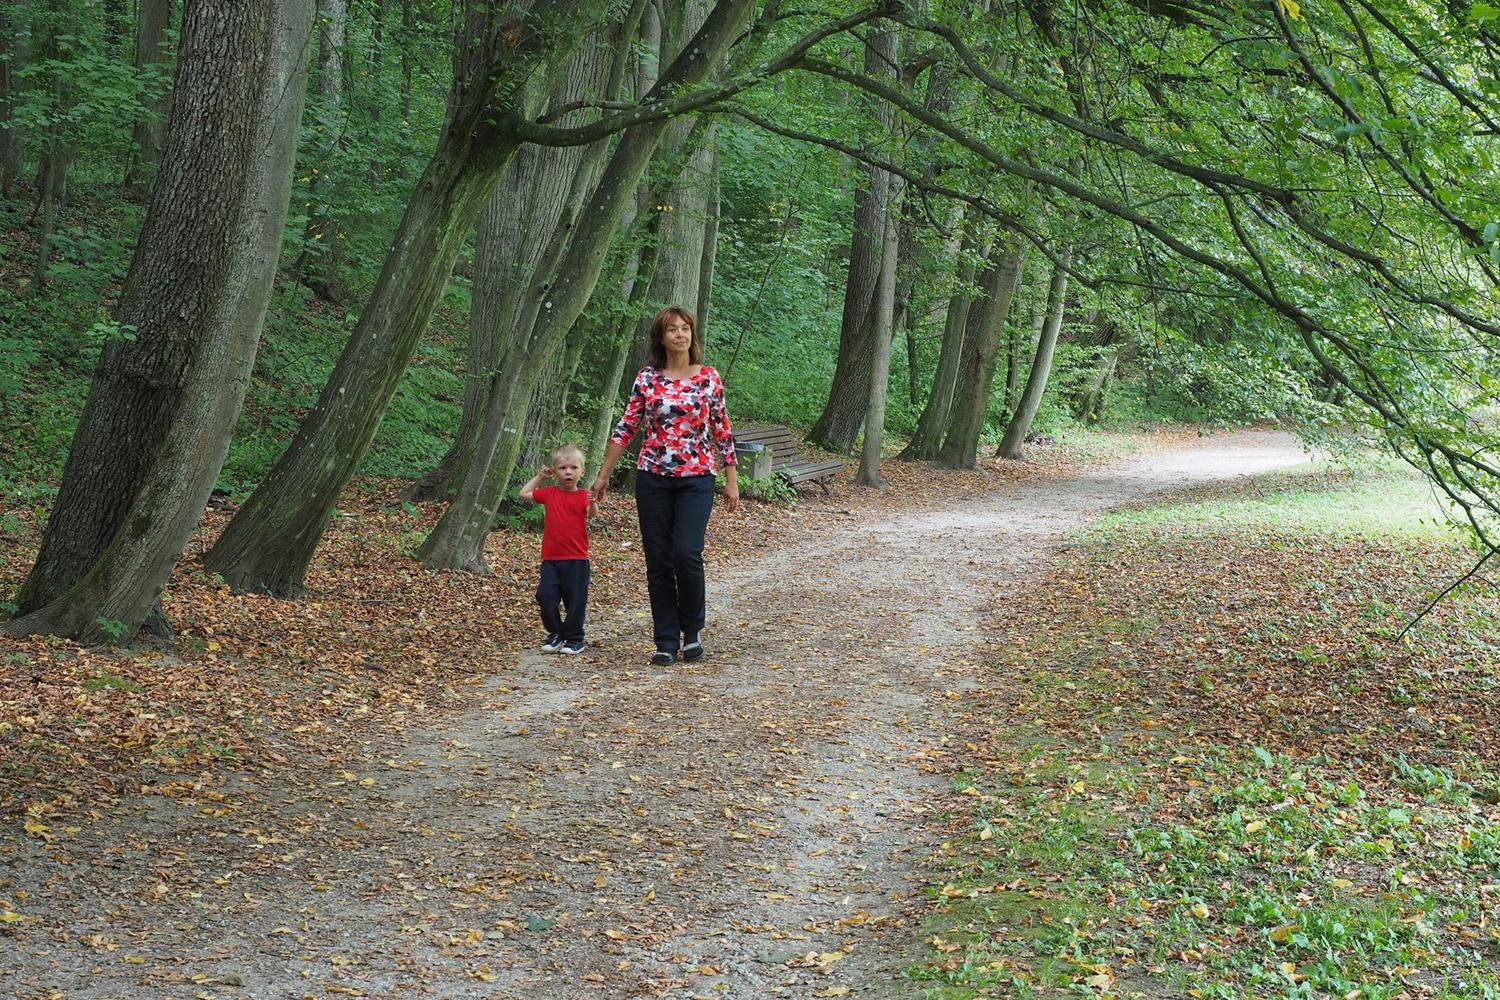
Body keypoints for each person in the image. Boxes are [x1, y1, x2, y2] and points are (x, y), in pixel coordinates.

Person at [591, 306, 739, 666]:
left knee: (686, 554)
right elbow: (626, 427)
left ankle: (692, 632)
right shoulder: (647, 378)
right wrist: (603, 475)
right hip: (653, 477)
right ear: (661, 337)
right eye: (671, 329)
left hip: (697, 479)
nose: (679, 334)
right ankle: (665, 639)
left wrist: (731, 479)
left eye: (685, 328)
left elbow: (722, 428)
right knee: (658, 560)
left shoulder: (708, 378)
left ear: (692, 335)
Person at [520, 443, 591, 655]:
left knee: (575, 600)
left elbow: (592, 513)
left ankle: (575, 639)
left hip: (577, 559)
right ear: (555, 471)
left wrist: (595, 501)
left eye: (573, 468)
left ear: (581, 471)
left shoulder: (584, 495)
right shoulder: (549, 493)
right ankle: (556, 633)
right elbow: (524, 494)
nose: (568, 472)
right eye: (562, 468)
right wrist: (540, 477)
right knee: (546, 596)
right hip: (551, 558)